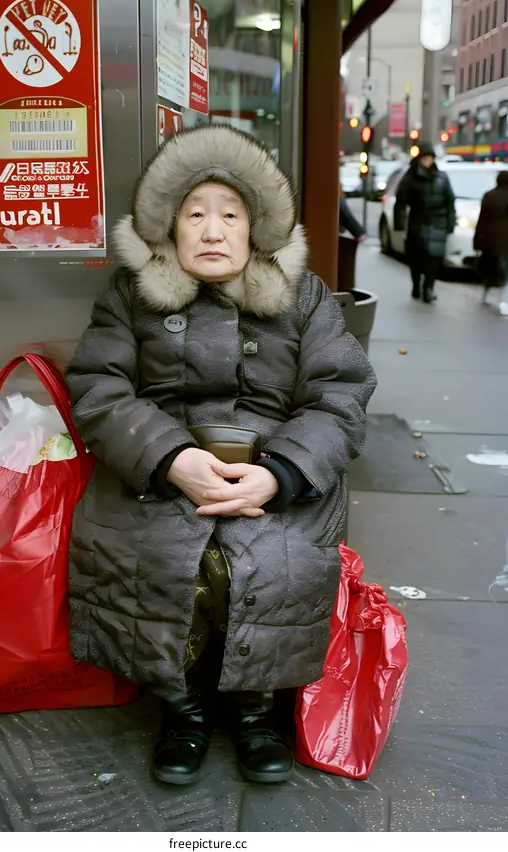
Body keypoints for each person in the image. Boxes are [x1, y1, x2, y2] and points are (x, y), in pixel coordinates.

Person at [65, 126, 377, 787]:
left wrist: (278, 474)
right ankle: (184, 708)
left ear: (255, 226)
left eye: (229, 214)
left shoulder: (306, 296)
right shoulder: (131, 294)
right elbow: (98, 387)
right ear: (168, 228)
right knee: (170, 552)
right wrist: (169, 457)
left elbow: (340, 399)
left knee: (266, 555)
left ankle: (256, 708)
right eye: (194, 213)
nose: (212, 230)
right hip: (157, 470)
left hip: (275, 474)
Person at [393, 142, 455, 304]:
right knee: (416, 258)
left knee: (434, 259)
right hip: (418, 222)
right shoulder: (410, 177)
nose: (427, 161)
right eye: (424, 158)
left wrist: (450, 223)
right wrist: (399, 223)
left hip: (437, 223)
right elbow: (400, 202)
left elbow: (450, 202)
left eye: (429, 158)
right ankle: (416, 284)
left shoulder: (442, 177)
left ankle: (429, 288)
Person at [473, 170, 508, 316]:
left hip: (492, 240)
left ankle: (487, 294)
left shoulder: (490, 196)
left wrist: (477, 241)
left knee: (492, 269)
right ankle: (504, 300)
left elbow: (482, 220)